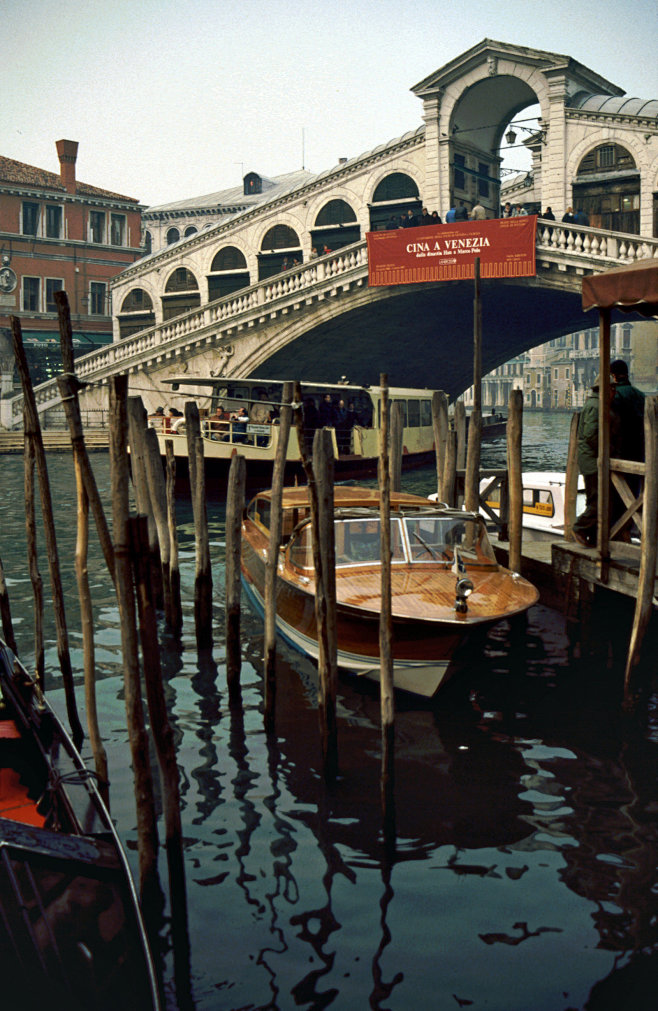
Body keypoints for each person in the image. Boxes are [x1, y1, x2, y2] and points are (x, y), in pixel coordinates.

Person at [573, 374, 621, 547]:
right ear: (604, 389)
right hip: (593, 462)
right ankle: (580, 527)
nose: (615, 392)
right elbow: (591, 435)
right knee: (600, 499)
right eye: (612, 388)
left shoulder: (596, 404)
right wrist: (608, 452)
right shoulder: (596, 406)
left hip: (591, 461)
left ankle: (593, 537)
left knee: (596, 498)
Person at [610, 359, 645, 465]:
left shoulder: (614, 396)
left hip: (621, 449)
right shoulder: (640, 395)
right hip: (640, 446)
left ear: (613, 376)